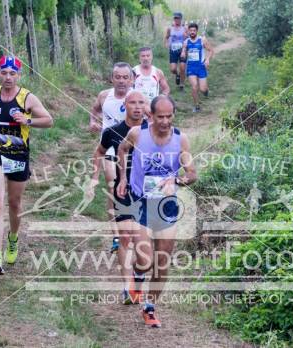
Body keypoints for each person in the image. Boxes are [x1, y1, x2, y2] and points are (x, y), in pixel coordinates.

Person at [117, 95, 197, 328]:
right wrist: (123, 178)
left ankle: (149, 307)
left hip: (166, 206)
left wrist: (178, 180)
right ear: (150, 115)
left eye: (169, 116)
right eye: (160, 116)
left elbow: (192, 173)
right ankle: (137, 276)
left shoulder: (181, 140)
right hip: (141, 201)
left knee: (162, 263)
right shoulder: (137, 134)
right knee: (144, 260)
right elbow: (122, 150)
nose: (164, 121)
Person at [0, 55, 53, 275]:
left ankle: (13, 237)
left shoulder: (27, 98)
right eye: (4, 72)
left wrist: (28, 120)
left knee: (14, 203)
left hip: (18, 155)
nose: (8, 77)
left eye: (12, 74)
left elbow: (48, 120)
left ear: (19, 76)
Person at [90, 91, 148, 304]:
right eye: (133, 102)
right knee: (125, 238)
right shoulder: (113, 131)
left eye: (141, 103)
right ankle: (127, 287)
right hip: (123, 190)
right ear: (125, 105)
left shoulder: (152, 130)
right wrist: (94, 177)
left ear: (146, 106)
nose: (137, 107)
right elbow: (99, 151)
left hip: (148, 192)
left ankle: (138, 277)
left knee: (143, 248)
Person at [89, 62, 133, 253]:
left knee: (129, 189)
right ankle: (116, 235)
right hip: (109, 148)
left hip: (132, 151)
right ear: (112, 78)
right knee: (112, 187)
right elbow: (95, 110)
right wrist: (92, 121)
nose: (121, 81)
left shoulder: (137, 98)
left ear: (131, 79)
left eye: (125, 77)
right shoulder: (104, 95)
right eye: (118, 77)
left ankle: (131, 226)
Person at [181, 22, 214, 113]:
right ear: (188, 31)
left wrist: (207, 59)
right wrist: (183, 53)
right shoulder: (186, 42)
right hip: (191, 68)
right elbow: (183, 51)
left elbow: (211, 51)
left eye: (194, 30)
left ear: (196, 31)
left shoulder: (202, 40)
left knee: (203, 89)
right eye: (190, 30)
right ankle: (197, 105)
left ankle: (206, 91)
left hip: (201, 67)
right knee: (194, 86)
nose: (192, 32)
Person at [164, 12, 187, 89]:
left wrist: (186, 37)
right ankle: (177, 74)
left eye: (178, 18)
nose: (176, 20)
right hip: (173, 50)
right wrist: (166, 43)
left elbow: (188, 39)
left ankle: (182, 84)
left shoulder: (185, 28)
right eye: (175, 18)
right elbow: (166, 37)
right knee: (173, 69)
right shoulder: (170, 29)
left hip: (182, 49)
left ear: (181, 19)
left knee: (182, 67)